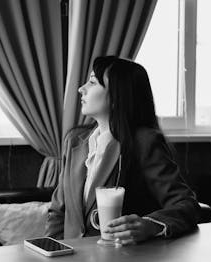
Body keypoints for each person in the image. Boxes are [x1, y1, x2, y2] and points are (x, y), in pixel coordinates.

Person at [46, 56, 199, 245]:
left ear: (117, 96)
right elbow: (58, 212)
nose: (81, 88)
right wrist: (53, 252)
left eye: (92, 82)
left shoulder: (144, 142)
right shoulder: (73, 142)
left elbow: (186, 205)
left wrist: (150, 225)